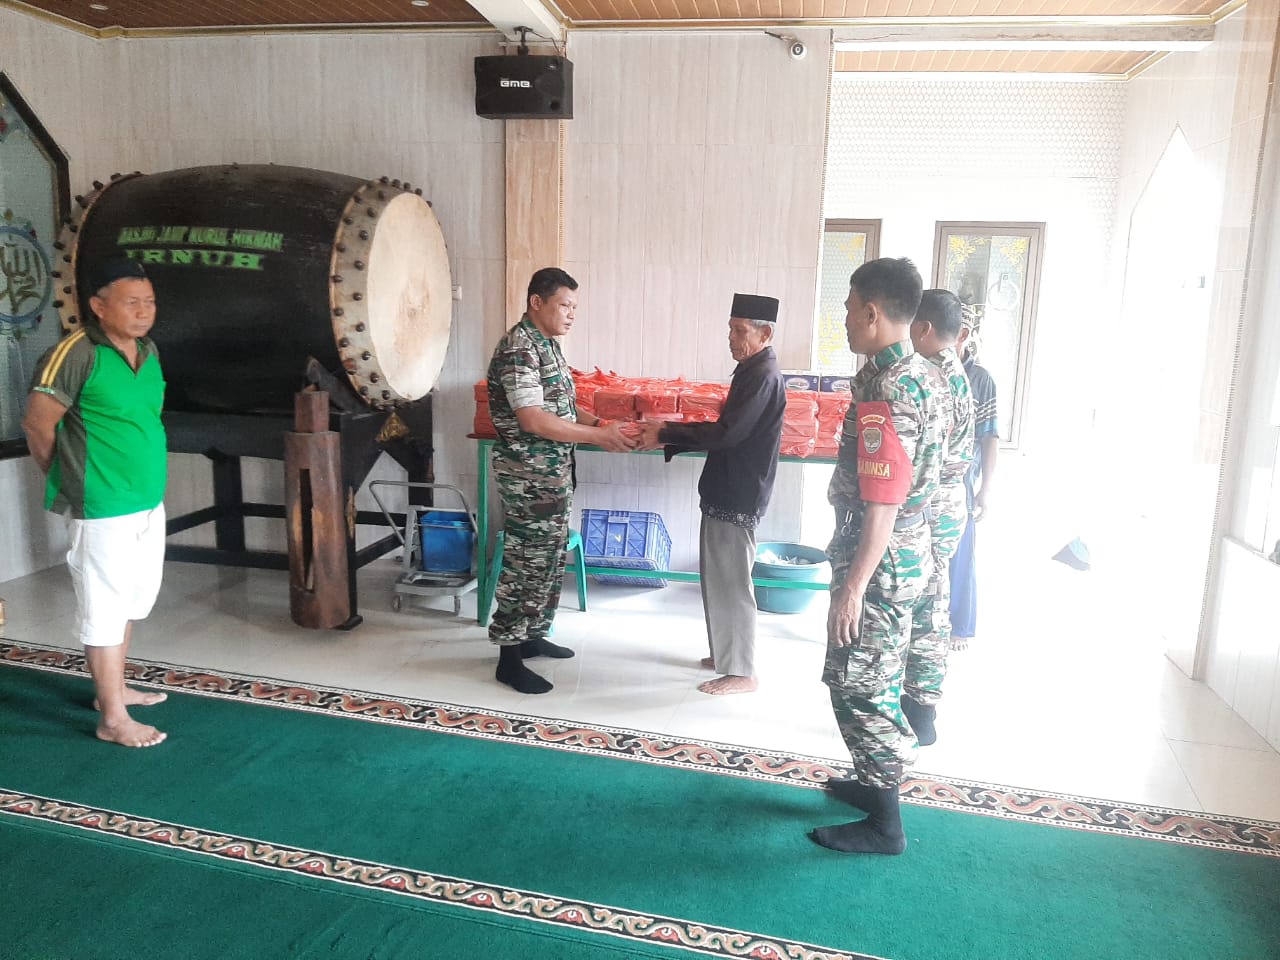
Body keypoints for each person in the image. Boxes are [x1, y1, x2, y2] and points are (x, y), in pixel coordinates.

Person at [814, 257, 946, 855]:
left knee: (861, 684)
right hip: (907, 551)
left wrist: (852, 587)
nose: (843, 318)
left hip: (883, 559)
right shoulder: (925, 375)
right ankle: (872, 787)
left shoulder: (890, 390)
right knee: (877, 676)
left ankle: (885, 825)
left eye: (846, 307)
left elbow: (884, 501)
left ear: (871, 312)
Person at [22, 257, 169, 748]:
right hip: (103, 503)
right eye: (132, 303)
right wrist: (69, 481)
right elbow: (38, 424)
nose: (144, 311)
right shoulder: (77, 351)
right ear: (98, 305)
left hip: (148, 500)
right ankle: (111, 718)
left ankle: (116, 690)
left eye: (149, 302)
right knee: (104, 606)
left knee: (128, 600)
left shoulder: (147, 350)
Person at [486, 267, 636, 694]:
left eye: (575, 307)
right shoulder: (519, 349)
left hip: (552, 473)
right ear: (537, 302)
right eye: (564, 305)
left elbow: (564, 407)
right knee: (525, 562)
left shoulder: (547, 345)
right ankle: (508, 657)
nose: (571, 315)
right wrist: (599, 437)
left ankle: (532, 636)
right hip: (527, 475)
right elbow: (533, 419)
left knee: (549, 559)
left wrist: (605, 423)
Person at [637, 294, 786, 696]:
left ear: (765, 333)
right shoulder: (750, 370)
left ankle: (742, 670)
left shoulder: (763, 375)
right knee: (717, 580)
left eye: (740, 331)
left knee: (733, 582)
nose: (731, 338)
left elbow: (728, 434)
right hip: (725, 488)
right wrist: (668, 434)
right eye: (730, 329)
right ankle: (726, 655)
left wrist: (665, 433)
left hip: (739, 492)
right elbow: (727, 427)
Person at [901, 290, 974, 746]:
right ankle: (922, 704)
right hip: (950, 500)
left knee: (926, 607)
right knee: (935, 599)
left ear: (923, 328)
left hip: (931, 503)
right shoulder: (960, 371)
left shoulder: (930, 376)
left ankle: (919, 710)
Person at [949, 312, 999, 650]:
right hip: (927, 481)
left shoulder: (980, 379)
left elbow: (989, 438)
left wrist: (986, 489)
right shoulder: (927, 371)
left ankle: (960, 626)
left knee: (961, 553)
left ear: (963, 335)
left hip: (963, 481)